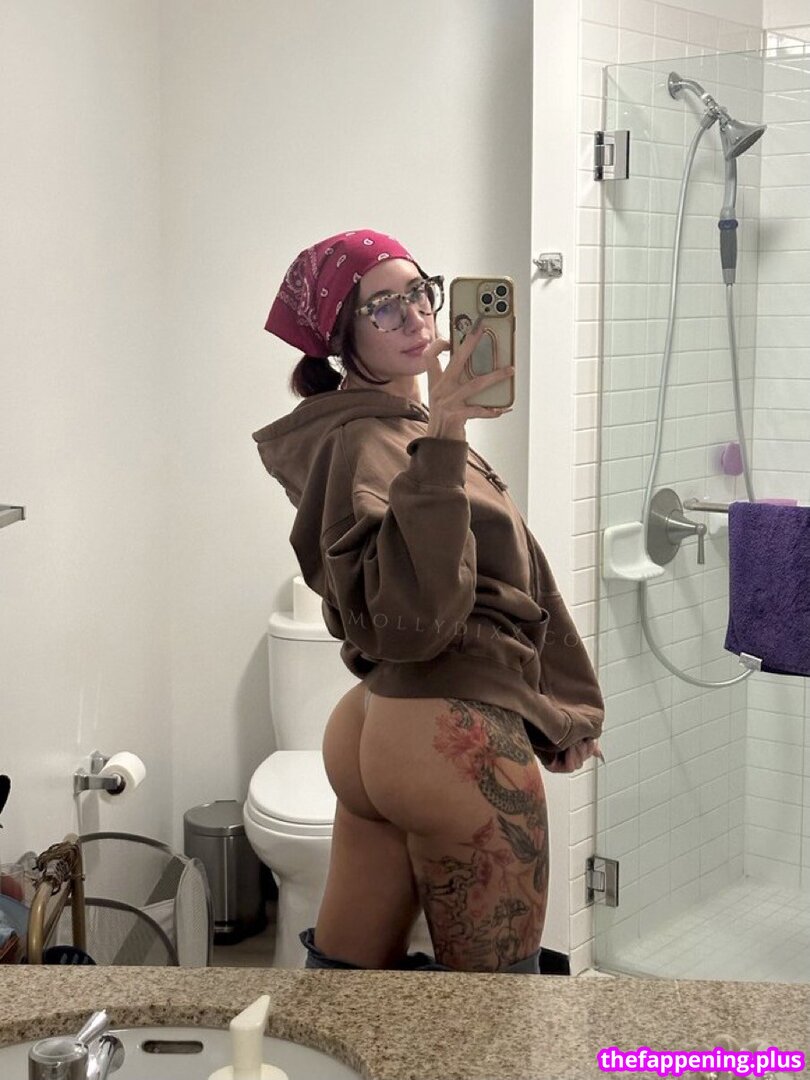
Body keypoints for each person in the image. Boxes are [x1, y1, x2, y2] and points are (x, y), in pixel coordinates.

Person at [253, 229, 604, 974]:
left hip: (383, 726)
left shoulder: (389, 428)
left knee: (348, 986)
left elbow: (496, 584)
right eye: (382, 306)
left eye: (419, 291)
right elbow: (417, 617)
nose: (414, 315)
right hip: (444, 734)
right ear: (342, 338)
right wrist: (445, 431)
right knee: (492, 1009)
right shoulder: (370, 441)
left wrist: (556, 707)